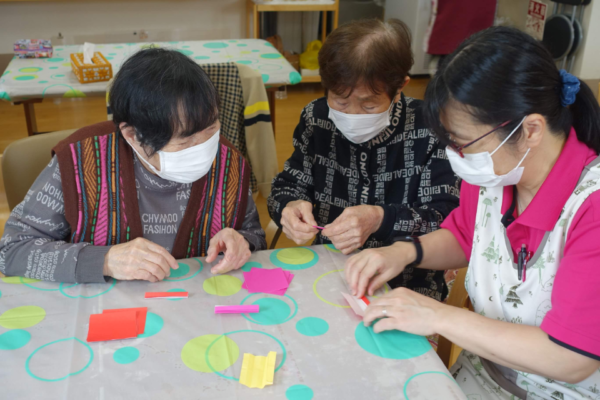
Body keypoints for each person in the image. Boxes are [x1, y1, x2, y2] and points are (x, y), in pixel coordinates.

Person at [346, 27, 600, 398]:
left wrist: (437, 316)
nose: (456, 157)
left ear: (530, 129)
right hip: (484, 373)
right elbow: (467, 236)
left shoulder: (590, 207)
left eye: (463, 144)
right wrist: (404, 252)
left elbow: (571, 356)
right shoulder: (495, 173)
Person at [0, 48, 266, 283]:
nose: (205, 147)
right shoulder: (80, 162)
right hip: (103, 319)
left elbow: (253, 234)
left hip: (200, 312)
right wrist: (105, 260)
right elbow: (11, 251)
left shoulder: (229, 162)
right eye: (184, 143)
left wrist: (243, 242)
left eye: (211, 128)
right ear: (132, 135)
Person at [267, 19, 460, 302]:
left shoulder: (430, 128)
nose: (354, 115)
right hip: (328, 273)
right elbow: (286, 186)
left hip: (407, 287)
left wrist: (381, 219)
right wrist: (288, 207)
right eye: (341, 102)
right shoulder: (317, 119)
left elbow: (447, 221)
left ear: (399, 88)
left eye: (369, 105)